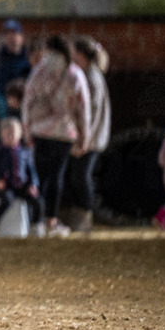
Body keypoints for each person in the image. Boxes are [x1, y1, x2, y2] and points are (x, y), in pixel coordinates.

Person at [21, 35, 90, 238]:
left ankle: (37, 221)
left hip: (40, 131)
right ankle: (52, 220)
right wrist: (84, 136)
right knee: (56, 177)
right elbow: (83, 108)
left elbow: (27, 102)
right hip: (64, 133)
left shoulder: (39, 71)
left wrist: (27, 130)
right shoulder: (74, 73)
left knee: (40, 177)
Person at [66, 36, 112, 233]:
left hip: (91, 139)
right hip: (88, 137)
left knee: (81, 175)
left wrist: (83, 137)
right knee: (77, 175)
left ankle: (85, 215)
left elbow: (91, 112)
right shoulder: (86, 74)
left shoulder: (92, 76)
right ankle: (79, 213)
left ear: (81, 54)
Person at [0, 117, 45, 236]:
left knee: (38, 202)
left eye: (13, 133)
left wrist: (33, 184)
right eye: (7, 134)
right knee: (6, 200)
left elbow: (31, 171)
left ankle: (36, 226)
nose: (11, 136)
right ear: (1, 135)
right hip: (6, 187)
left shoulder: (25, 153)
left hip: (22, 186)